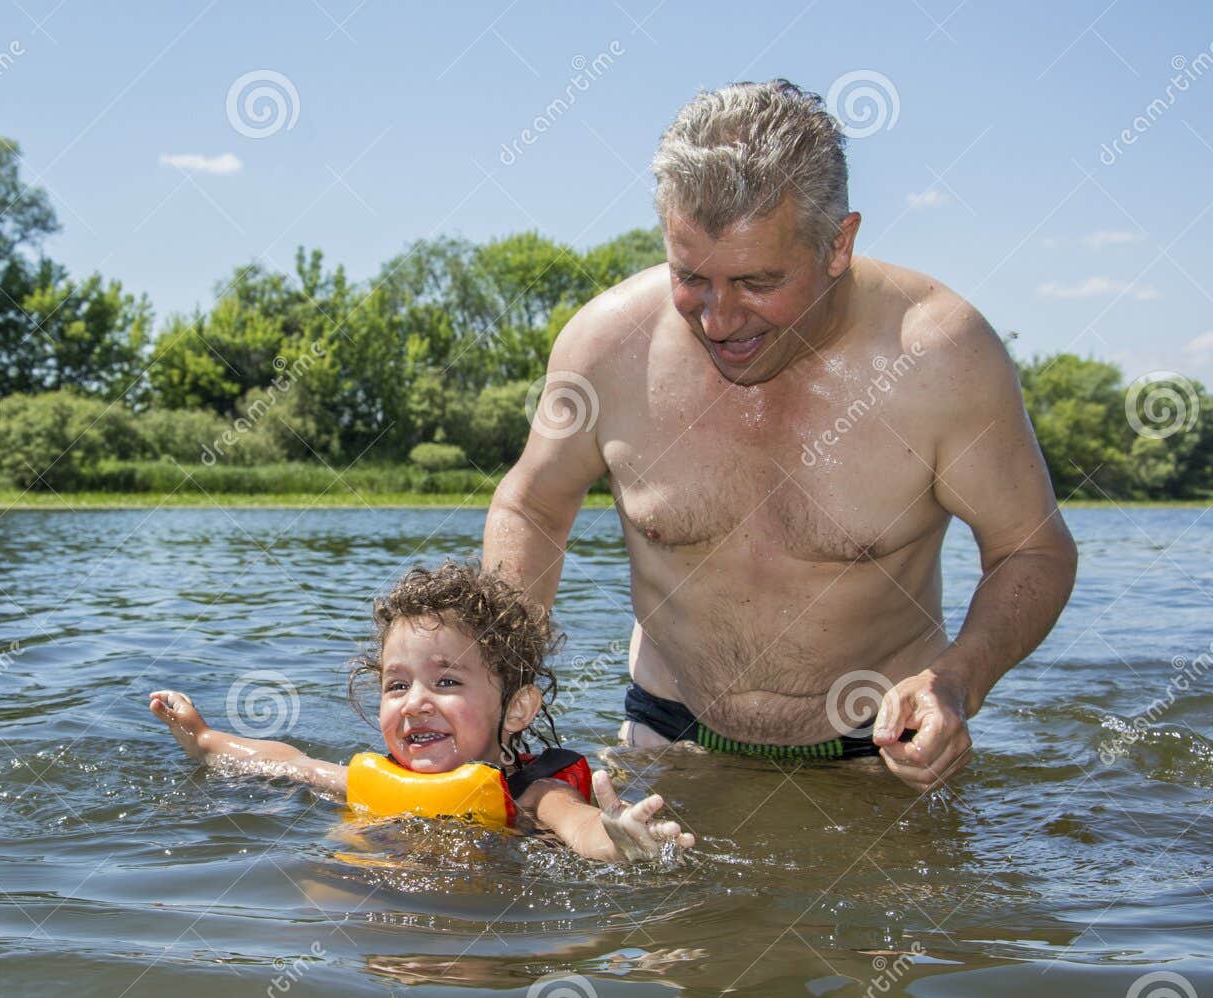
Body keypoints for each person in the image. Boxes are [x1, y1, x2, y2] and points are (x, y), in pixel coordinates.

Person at [483, 80, 1078, 792]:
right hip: (666, 739)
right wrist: (498, 678)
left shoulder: (944, 358)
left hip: (879, 753)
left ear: (839, 245)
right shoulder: (606, 347)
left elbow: (1032, 549)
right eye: (690, 277)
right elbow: (533, 505)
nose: (718, 319)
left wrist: (957, 681)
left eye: (757, 282)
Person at [149, 561, 694, 863]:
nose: (415, 703)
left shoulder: (533, 790)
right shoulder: (373, 778)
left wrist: (617, 838)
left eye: (448, 681)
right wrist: (204, 739)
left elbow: (579, 826)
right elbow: (289, 763)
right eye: (397, 685)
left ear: (517, 708)